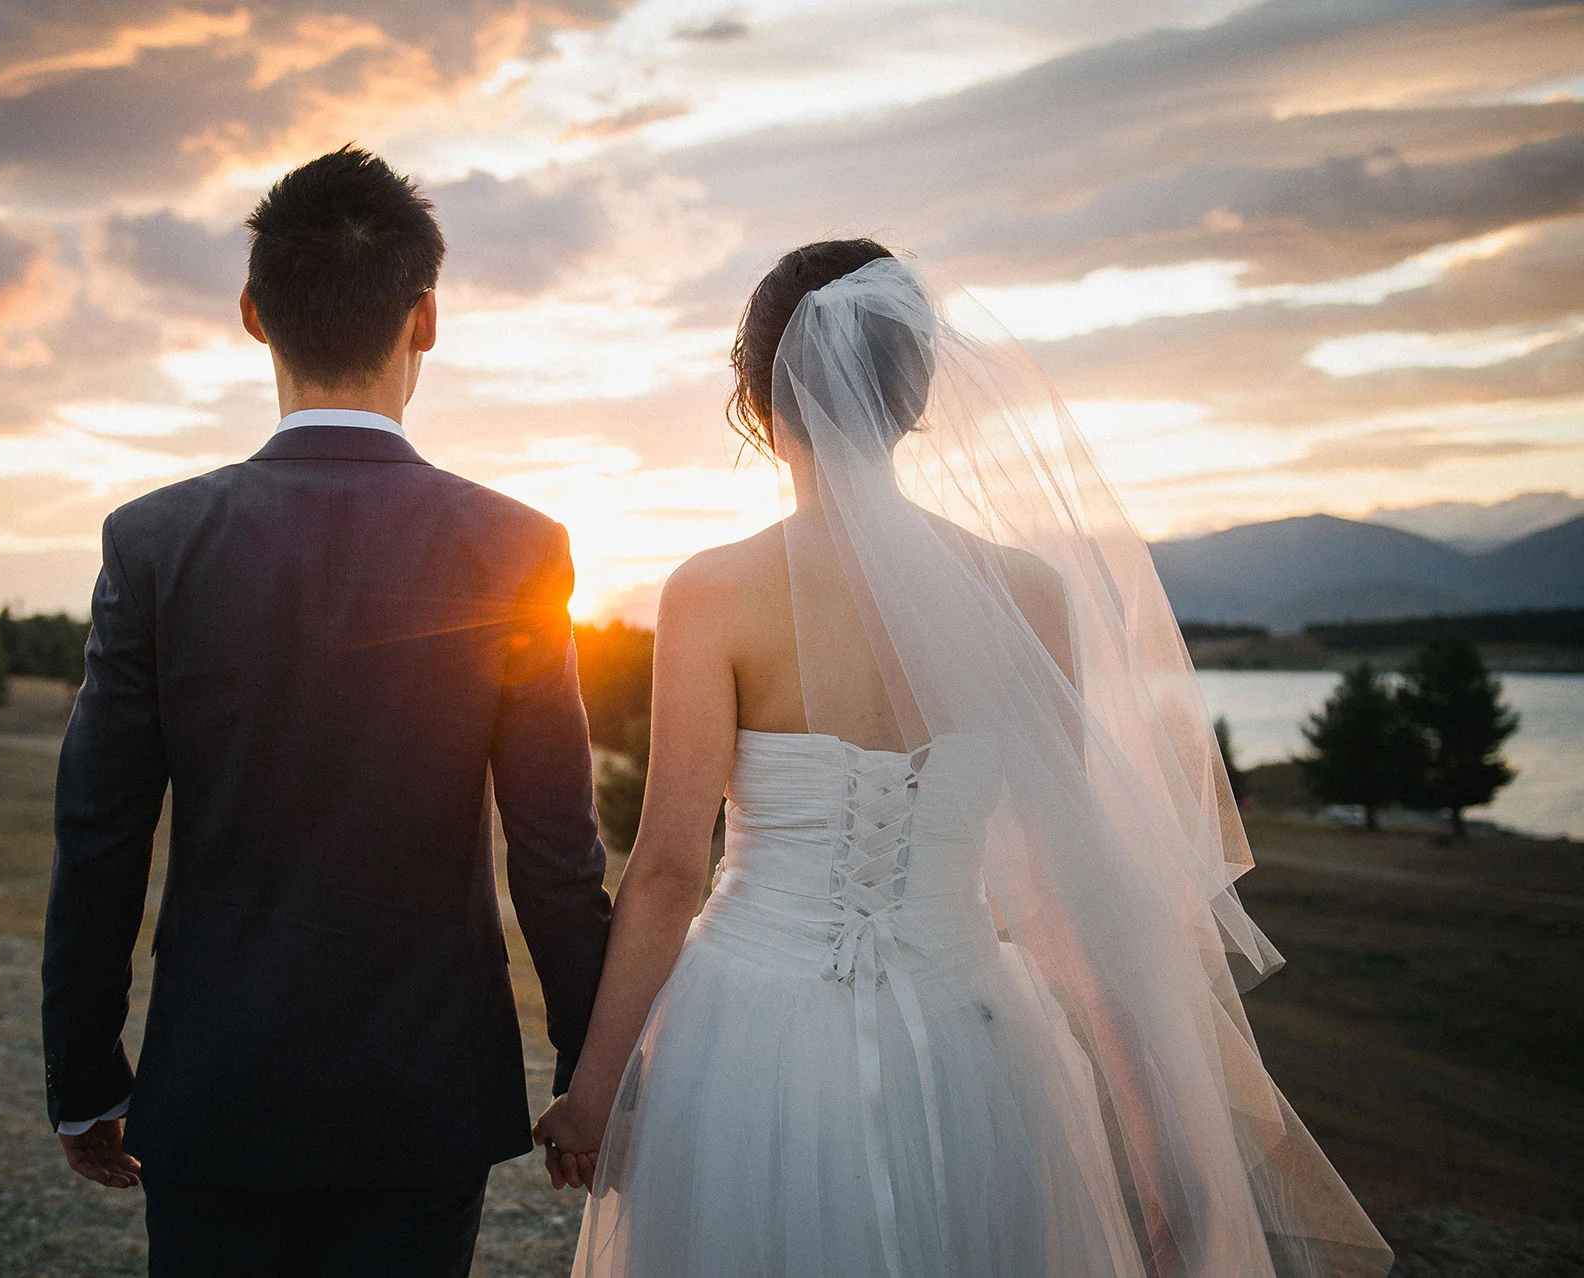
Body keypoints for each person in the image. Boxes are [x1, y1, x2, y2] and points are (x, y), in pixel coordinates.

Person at [533, 242, 1392, 1277]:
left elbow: (671, 871)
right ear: (917, 396)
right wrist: (1168, 1158)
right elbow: (1076, 889)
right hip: (969, 1042)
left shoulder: (712, 594)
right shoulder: (1022, 594)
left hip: (747, 1038)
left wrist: (593, 1092)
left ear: (759, 400)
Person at [41, 145, 612, 1277]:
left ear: (254, 315)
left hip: (218, 1080)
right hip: (424, 1094)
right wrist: (590, 1067)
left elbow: (100, 833)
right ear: (427, 318)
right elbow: (556, 849)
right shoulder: (517, 547)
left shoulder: (154, 541)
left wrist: (85, 1074)